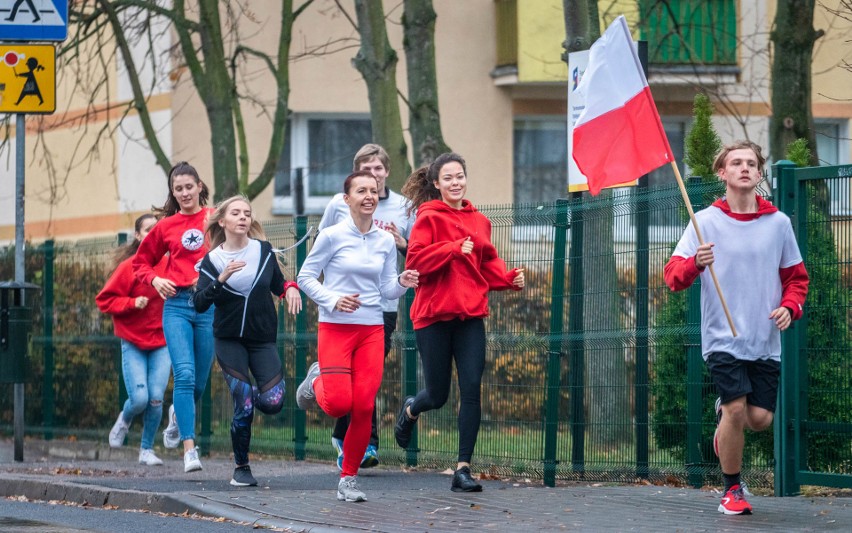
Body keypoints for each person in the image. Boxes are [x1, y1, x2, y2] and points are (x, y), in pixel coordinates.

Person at [664, 140, 809, 515]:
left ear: (760, 175)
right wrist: (695, 262)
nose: (744, 168)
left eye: (751, 164)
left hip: (765, 338)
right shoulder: (705, 221)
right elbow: (672, 277)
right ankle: (732, 491)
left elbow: (796, 278)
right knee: (736, 410)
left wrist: (790, 308)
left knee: (759, 419)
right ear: (722, 173)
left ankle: (724, 423)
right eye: (736, 163)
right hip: (722, 337)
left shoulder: (778, 224)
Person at [393, 152, 525, 493]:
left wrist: (508, 278)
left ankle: (463, 468)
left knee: (471, 390)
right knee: (437, 395)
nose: (456, 182)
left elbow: (486, 263)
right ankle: (411, 409)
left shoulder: (480, 221)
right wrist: (452, 248)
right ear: (436, 184)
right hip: (433, 316)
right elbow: (417, 260)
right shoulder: (429, 217)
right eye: (448, 178)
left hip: (469, 317)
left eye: (460, 176)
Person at [296, 170, 419, 502]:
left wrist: (402, 282)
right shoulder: (332, 236)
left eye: (373, 190)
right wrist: (333, 299)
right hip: (335, 328)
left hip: (371, 330)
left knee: (363, 405)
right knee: (338, 405)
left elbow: (385, 288)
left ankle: (348, 479)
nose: (369, 195)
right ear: (346, 199)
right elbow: (305, 277)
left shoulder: (383, 240)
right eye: (361, 190)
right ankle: (315, 379)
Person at [193, 195, 302, 487]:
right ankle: (241, 468)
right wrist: (220, 280)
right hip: (229, 341)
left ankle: (249, 397)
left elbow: (279, 282)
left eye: (247, 213)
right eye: (236, 213)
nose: (243, 217)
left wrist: (289, 289)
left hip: (262, 340)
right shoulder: (213, 260)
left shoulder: (263, 250)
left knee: (274, 401)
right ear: (223, 221)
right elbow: (199, 303)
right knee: (243, 404)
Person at [317, 143, 414, 470]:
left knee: (366, 381)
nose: (373, 177)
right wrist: (329, 296)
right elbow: (320, 252)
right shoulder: (337, 205)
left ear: (387, 171)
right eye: (365, 171)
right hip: (340, 311)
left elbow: (416, 251)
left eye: (378, 170)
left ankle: (359, 443)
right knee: (345, 391)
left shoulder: (403, 207)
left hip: (381, 308)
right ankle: (352, 431)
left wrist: (402, 245)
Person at [132, 161, 215, 473]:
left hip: (208, 307)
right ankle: (190, 450)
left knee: (199, 384)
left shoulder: (213, 218)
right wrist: (155, 280)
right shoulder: (165, 227)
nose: (184, 193)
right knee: (184, 374)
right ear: (172, 192)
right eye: (177, 189)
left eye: (188, 187)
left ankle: (177, 417)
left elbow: (235, 247)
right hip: (177, 305)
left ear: (199, 186)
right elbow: (140, 263)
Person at [96, 214, 170, 467]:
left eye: (156, 229)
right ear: (138, 236)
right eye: (147, 229)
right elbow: (104, 300)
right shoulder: (130, 266)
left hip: (162, 341)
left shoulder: (170, 264)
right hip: (134, 341)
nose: (153, 233)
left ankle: (146, 449)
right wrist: (131, 303)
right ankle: (124, 419)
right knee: (139, 398)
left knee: (156, 397)